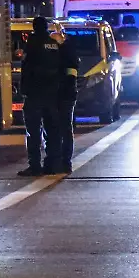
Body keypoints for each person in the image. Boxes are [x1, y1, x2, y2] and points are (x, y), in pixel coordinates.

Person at [18, 16, 63, 177]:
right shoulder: (54, 44)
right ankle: (52, 164)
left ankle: (35, 165)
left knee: (33, 131)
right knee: (52, 130)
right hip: (52, 94)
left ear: (34, 27)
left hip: (35, 94)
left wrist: (24, 89)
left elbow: (27, 68)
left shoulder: (32, 43)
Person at [54, 29, 80, 174]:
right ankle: (62, 161)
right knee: (63, 128)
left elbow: (70, 76)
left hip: (64, 95)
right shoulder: (67, 53)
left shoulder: (66, 54)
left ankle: (64, 162)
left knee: (63, 128)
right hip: (64, 95)